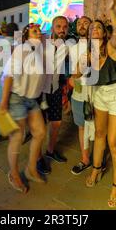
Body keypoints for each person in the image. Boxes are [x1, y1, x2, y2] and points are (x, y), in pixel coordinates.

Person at [80, 0, 116, 208]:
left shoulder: (112, 47)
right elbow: (88, 81)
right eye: (92, 29)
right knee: (99, 135)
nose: (95, 31)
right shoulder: (90, 53)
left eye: (99, 28)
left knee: (114, 143)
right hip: (100, 96)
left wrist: (111, 9)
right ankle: (97, 168)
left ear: (104, 32)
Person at [0, 23, 47, 193]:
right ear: (27, 36)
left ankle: (31, 168)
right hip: (16, 98)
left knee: (40, 133)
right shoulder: (22, 49)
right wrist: (4, 102)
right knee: (17, 137)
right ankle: (13, 174)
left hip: (31, 99)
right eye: (35, 31)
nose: (39, 33)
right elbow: (9, 74)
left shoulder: (38, 50)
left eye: (39, 31)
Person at [38, 16, 70, 174]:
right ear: (52, 27)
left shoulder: (66, 45)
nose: (62, 29)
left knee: (56, 123)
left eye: (64, 27)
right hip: (39, 91)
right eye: (58, 26)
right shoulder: (41, 43)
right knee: (39, 128)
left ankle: (50, 151)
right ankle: (37, 159)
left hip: (56, 89)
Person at [68, 16, 92, 175]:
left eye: (85, 23)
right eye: (79, 23)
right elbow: (72, 74)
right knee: (82, 126)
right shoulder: (73, 47)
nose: (81, 25)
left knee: (99, 129)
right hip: (79, 94)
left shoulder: (101, 46)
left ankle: (98, 159)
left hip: (98, 94)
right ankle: (85, 159)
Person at [0, 22, 19, 143]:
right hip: (16, 78)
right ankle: (10, 132)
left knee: (0, 105)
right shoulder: (19, 43)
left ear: (4, 32)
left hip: (1, 77)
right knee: (14, 105)